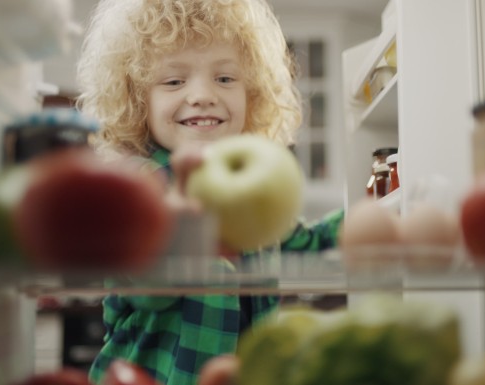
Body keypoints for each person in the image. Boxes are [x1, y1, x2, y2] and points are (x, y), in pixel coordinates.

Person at [76, 1, 344, 384]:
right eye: (173, 81)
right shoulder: (138, 185)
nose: (202, 95)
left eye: (225, 79)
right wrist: (182, 233)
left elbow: (303, 241)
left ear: (253, 93)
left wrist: (382, 217)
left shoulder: (253, 189)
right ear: (138, 102)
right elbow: (146, 290)